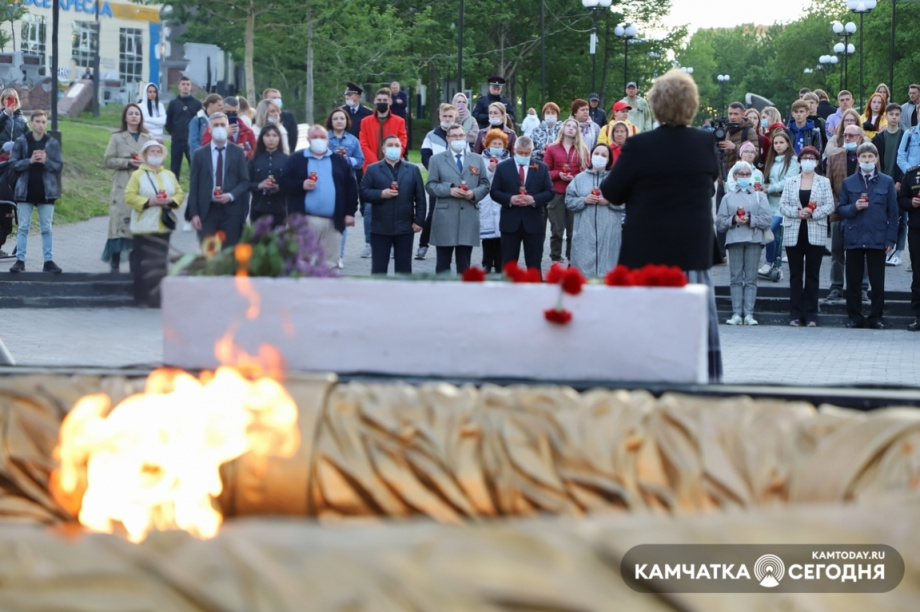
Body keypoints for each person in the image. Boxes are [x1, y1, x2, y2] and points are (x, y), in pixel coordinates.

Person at [600, 69, 723, 382]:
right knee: (696, 329)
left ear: (653, 105)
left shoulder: (640, 146)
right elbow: (709, 183)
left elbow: (612, 192)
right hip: (692, 253)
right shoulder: (704, 142)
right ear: (693, 105)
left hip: (646, 255)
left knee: (645, 328)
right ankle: (704, 384)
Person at [837, 142, 898, 329]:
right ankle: (854, 317)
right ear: (858, 159)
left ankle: (875, 317)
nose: (867, 160)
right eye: (863, 157)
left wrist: (890, 239)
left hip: (877, 238)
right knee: (853, 281)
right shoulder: (848, 182)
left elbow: (893, 214)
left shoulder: (886, 182)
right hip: (854, 237)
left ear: (876, 159)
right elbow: (840, 209)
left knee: (877, 282)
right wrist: (854, 207)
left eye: (870, 157)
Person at [281, 124, 358, 267]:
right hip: (304, 220)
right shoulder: (297, 159)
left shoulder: (339, 160)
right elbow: (283, 183)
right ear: (308, 139)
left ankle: (327, 289)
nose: (319, 140)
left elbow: (351, 188)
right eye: (315, 137)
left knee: (330, 265)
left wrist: (350, 213)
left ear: (328, 140)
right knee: (302, 263)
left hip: (334, 221)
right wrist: (301, 185)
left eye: (322, 137)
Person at [779, 145, 835, 327]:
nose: (808, 161)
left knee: (812, 275)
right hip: (794, 231)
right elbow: (783, 205)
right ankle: (794, 314)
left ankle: (811, 314)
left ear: (817, 162)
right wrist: (798, 212)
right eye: (805, 158)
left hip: (815, 231)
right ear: (800, 161)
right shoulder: (791, 181)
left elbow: (829, 205)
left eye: (812, 159)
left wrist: (813, 213)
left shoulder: (824, 182)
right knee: (795, 275)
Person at [123, 140, 182, 308]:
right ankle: (141, 297)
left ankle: (157, 298)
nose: (155, 155)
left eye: (158, 152)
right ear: (145, 155)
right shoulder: (138, 175)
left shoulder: (169, 175)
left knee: (160, 263)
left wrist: (171, 201)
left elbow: (179, 194)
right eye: (152, 152)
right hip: (144, 226)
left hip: (163, 226)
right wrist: (149, 201)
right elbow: (129, 196)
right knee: (143, 263)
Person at [425, 124, 490, 274]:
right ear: (448, 139)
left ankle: (463, 295)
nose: (458, 139)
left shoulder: (477, 159)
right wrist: (449, 190)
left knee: (464, 264)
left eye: (461, 135)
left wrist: (473, 193)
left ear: (465, 137)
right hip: (445, 217)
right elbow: (430, 186)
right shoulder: (436, 159)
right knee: (443, 264)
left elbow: (485, 184)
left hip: (468, 215)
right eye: (454, 136)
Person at [716, 161, 773, 325]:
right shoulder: (728, 197)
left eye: (747, 174)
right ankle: (736, 313)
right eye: (741, 174)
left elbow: (767, 220)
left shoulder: (759, 196)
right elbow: (720, 223)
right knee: (735, 278)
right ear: (734, 176)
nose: (744, 177)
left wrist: (750, 219)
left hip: (754, 239)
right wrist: (733, 219)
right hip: (734, 240)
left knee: (751, 278)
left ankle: (748, 314)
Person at [360, 134, 425, 275]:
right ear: (383, 149)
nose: (394, 148)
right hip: (380, 227)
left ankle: (402, 295)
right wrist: (381, 194)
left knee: (404, 268)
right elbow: (364, 192)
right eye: (390, 145)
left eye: (397, 145)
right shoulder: (373, 169)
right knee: (379, 268)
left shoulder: (412, 170)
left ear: (402, 148)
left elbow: (420, 197)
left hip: (405, 227)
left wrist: (419, 221)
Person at [8, 110, 63, 274]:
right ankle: (20, 260)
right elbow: (12, 164)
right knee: (23, 227)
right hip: (25, 191)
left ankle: (48, 260)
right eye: (37, 121)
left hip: (47, 192)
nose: (40, 125)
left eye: (43, 122)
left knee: (46, 228)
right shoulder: (21, 141)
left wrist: (46, 161)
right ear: (32, 123)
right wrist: (30, 161)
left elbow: (58, 166)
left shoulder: (52, 143)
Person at [489, 136, 554, 271]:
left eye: (526, 153)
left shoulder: (541, 168)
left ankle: (535, 290)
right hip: (510, 222)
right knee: (508, 265)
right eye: (520, 153)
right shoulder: (503, 167)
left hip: (534, 222)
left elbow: (550, 192)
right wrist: (509, 199)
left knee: (534, 265)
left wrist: (534, 199)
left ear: (532, 151)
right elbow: (494, 192)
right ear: (514, 150)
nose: (523, 156)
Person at [102, 103, 152, 274]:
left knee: (137, 228)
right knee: (118, 226)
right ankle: (114, 265)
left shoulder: (148, 138)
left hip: (142, 186)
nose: (133, 116)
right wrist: (127, 162)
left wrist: (145, 163)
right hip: (122, 185)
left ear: (140, 117)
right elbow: (108, 160)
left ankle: (135, 267)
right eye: (130, 113)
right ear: (125, 117)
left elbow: (157, 161)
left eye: (136, 113)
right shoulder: (117, 138)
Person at [187, 112, 250, 246]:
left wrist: (231, 195)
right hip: (207, 211)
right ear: (209, 129)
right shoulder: (199, 155)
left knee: (230, 255)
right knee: (210, 254)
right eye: (216, 125)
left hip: (232, 212)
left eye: (222, 125)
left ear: (228, 128)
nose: (219, 128)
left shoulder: (238, 152)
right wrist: (194, 214)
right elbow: (194, 186)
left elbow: (245, 181)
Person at [826, 123, 870, 301]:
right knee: (836, 251)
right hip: (839, 212)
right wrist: (842, 208)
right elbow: (829, 186)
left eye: (851, 136)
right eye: (845, 136)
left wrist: (860, 206)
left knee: (863, 251)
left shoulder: (869, 158)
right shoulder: (835, 157)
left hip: (863, 212)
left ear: (860, 138)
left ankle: (862, 288)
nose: (848, 139)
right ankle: (836, 286)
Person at [565, 143, 623, 277]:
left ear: (609, 160)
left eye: (604, 155)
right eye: (596, 154)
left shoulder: (616, 178)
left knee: (607, 273)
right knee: (583, 275)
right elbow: (569, 201)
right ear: (591, 156)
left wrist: (609, 201)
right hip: (585, 233)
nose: (599, 157)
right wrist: (584, 200)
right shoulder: (579, 178)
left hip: (609, 235)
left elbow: (626, 202)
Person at [544, 117, 589, 263]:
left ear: (577, 131)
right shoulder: (552, 148)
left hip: (575, 194)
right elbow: (545, 172)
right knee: (557, 230)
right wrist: (559, 175)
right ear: (563, 128)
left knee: (572, 231)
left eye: (574, 127)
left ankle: (572, 256)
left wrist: (574, 178)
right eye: (568, 125)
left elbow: (586, 172)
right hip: (556, 193)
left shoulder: (582, 150)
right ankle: (555, 257)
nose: (570, 128)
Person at [417, 103, 457, 261]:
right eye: (445, 116)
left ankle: (453, 247)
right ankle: (423, 245)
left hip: (456, 182)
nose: (447, 119)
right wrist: (434, 171)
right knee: (433, 214)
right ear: (440, 116)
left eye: (450, 117)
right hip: (438, 182)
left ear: (455, 117)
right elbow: (425, 156)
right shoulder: (431, 135)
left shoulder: (459, 134)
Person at [759, 130, 800, 281]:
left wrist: (770, 188)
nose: (778, 145)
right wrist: (763, 187)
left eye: (781, 142)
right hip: (770, 202)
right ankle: (776, 266)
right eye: (775, 143)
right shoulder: (772, 161)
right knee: (773, 236)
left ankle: (769, 261)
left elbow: (788, 181)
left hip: (784, 202)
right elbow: (767, 180)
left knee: (770, 231)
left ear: (788, 143)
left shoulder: (794, 161)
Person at [326, 108, 364, 268]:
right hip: (328, 182)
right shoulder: (325, 138)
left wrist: (346, 160)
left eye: (342, 118)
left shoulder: (353, 140)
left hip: (346, 183)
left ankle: (338, 256)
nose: (339, 121)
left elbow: (360, 161)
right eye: (336, 119)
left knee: (342, 220)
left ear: (346, 121)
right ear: (331, 121)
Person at [873, 103, 906, 267]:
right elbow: (875, 160)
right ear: (886, 115)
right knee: (884, 215)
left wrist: (900, 181)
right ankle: (886, 249)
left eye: (897, 114)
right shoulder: (879, 137)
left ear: (900, 116)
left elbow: (907, 160)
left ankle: (899, 251)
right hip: (883, 180)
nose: (894, 117)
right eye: (891, 114)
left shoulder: (905, 135)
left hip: (900, 182)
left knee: (901, 216)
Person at [0, 89, 29, 258]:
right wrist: (4, 115)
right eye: (6, 100)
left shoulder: (22, 120)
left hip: (14, 165)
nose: (9, 102)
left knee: (10, 206)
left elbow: (29, 138)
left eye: (12, 100)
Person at [478, 129, 510, 272]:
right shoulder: (480, 159)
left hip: (501, 199)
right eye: (494, 143)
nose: (497, 146)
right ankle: (486, 262)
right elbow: (479, 179)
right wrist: (490, 170)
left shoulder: (508, 160)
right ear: (487, 144)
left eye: (500, 144)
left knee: (501, 234)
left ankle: (499, 263)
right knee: (488, 235)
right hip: (486, 200)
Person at [248, 124, 289, 225]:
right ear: (262, 138)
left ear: (279, 138)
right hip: (258, 209)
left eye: (274, 135)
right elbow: (245, 183)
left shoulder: (286, 159)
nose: (271, 139)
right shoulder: (254, 159)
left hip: (279, 210)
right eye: (267, 135)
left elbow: (291, 184)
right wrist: (259, 185)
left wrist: (280, 187)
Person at [897, 159, 920, 330]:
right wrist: (911, 203)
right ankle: (918, 317)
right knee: (918, 275)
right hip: (917, 231)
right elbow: (901, 200)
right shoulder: (912, 174)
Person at [164, 76, 201, 180]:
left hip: (191, 141)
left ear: (191, 86)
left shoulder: (197, 103)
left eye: (188, 84)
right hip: (177, 140)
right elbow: (168, 122)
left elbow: (200, 121)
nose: (185, 86)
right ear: (179, 86)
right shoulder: (173, 103)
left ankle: (195, 190)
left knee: (194, 167)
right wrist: (174, 133)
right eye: (183, 84)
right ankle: (174, 190)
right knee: (174, 168)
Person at [201, 96, 257, 160]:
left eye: (234, 113)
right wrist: (224, 136)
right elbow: (205, 148)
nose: (231, 115)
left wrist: (246, 153)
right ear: (222, 110)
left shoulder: (247, 131)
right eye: (228, 112)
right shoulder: (212, 128)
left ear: (238, 111)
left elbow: (256, 151)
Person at [263, 88, 299, 153]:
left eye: (279, 98)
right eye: (274, 98)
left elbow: (293, 139)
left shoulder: (289, 117)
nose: (277, 100)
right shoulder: (257, 118)